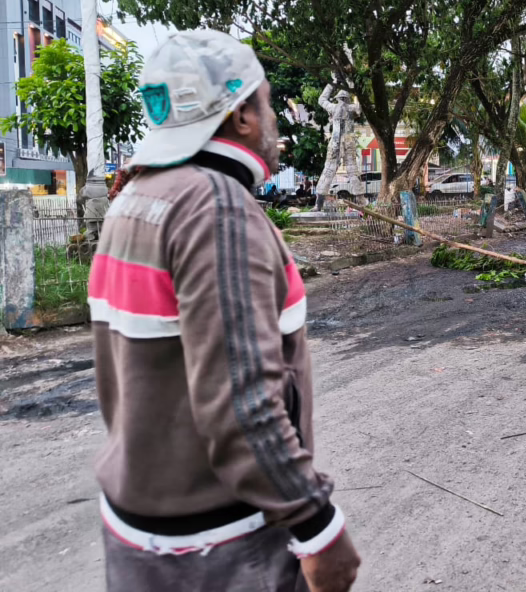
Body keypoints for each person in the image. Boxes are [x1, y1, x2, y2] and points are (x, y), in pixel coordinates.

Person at [90, 31, 360, 592]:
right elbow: (243, 401)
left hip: (140, 531)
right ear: (240, 115)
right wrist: (317, 526)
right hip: (218, 546)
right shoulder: (215, 206)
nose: (277, 127)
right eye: (266, 106)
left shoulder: (135, 199)